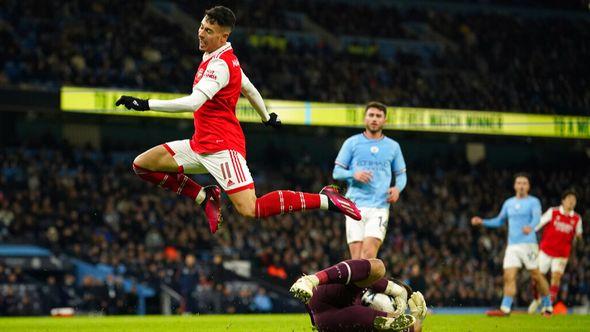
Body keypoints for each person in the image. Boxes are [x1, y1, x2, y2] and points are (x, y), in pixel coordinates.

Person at [115, 6, 361, 234]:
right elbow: (249, 88)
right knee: (142, 165)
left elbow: (192, 103)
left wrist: (145, 104)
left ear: (223, 37)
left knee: (250, 209)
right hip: (200, 144)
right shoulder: (221, 57)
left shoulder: (219, 66)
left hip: (223, 149)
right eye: (201, 26)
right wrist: (266, 116)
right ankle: (204, 197)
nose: (201, 33)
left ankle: (326, 199)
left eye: (208, 31)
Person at [332, 101, 407, 259]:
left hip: (379, 207)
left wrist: (397, 188)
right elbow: (337, 172)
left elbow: (401, 175)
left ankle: (367, 284)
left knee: (368, 254)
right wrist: (353, 174)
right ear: (365, 118)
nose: (374, 119)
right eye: (371, 115)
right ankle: (359, 285)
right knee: (356, 258)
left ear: (384, 120)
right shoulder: (351, 143)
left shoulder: (393, 146)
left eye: (378, 116)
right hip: (353, 206)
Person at [471, 173, 553, 316]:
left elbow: (537, 218)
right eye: (519, 183)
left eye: (524, 183)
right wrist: (482, 221)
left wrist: (531, 226)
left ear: (528, 186)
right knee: (508, 276)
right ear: (515, 186)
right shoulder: (508, 203)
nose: (521, 186)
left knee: (536, 276)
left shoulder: (534, 202)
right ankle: (505, 308)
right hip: (512, 246)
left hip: (528, 244)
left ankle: (548, 306)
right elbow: (499, 220)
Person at [290, 259, 426, 332]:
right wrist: (397, 291)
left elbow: (415, 327)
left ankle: (313, 280)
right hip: (327, 297)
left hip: (329, 319)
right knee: (378, 267)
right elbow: (375, 271)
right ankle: (311, 279)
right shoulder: (370, 284)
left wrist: (416, 318)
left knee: (388, 323)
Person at [528, 190, 583, 313]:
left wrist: (579, 238)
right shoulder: (553, 212)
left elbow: (579, 235)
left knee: (556, 277)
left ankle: (548, 307)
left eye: (574, 200)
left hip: (562, 254)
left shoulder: (577, 219)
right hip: (546, 251)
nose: (571, 201)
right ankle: (536, 299)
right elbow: (538, 224)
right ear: (563, 200)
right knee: (537, 278)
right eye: (569, 198)